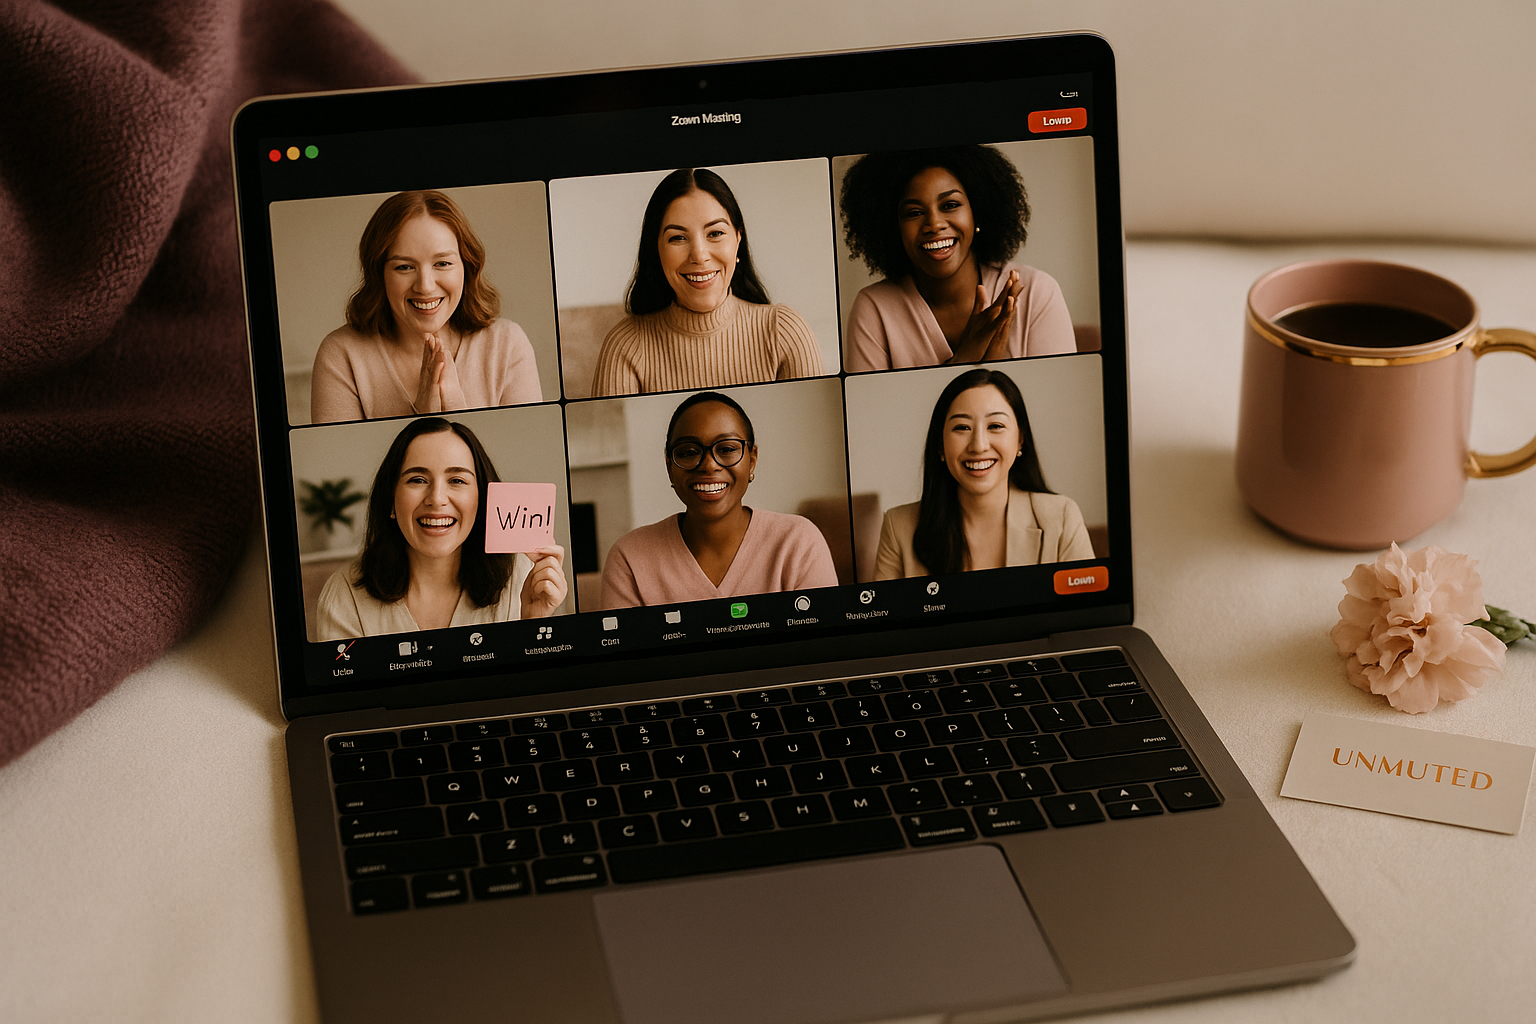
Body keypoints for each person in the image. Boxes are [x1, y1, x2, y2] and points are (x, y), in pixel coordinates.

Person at [313, 417, 566, 639]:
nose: (436, 498)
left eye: (457, 480)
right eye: (417, 479)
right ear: (391, 500)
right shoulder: (345, 593)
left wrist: (534, 623)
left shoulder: (523, 578)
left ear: (482, 501)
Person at [310, 190, 542, 423]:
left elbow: (528, 455)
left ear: (467, 266)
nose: (425, 286)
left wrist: (455, 408)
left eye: (442, 263)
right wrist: (423, 418)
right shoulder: (340, 354)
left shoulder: (508, 344)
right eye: (404, 267)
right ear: (379, 274)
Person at [839, 145, 1076, 372]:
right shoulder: (874, 308)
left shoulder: (1036, 293)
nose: (934, 224)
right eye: (914, 213)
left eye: (950, 205)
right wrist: (967, 358)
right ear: (894, 228)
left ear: (977, 212)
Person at [590, 168, 824, 396]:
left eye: (715, 233)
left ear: (738, 240)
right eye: (678, 237)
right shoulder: (624, 346)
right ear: (657, 250)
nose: (699, 255)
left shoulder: (783, 331)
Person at [599, 391, 839, 608]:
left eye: (726, 449)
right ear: (669, 465)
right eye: (689, 452)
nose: (709, 465)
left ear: (752, 459)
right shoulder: (629, 557)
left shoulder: (798, 543)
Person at [874, 369, 1094, 579]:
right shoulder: (898, 527)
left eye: (995, 425)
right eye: (962, 427)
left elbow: (1085, 612)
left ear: (1020, 440)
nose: (978, 446)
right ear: (940, 446)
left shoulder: (1062, 518)